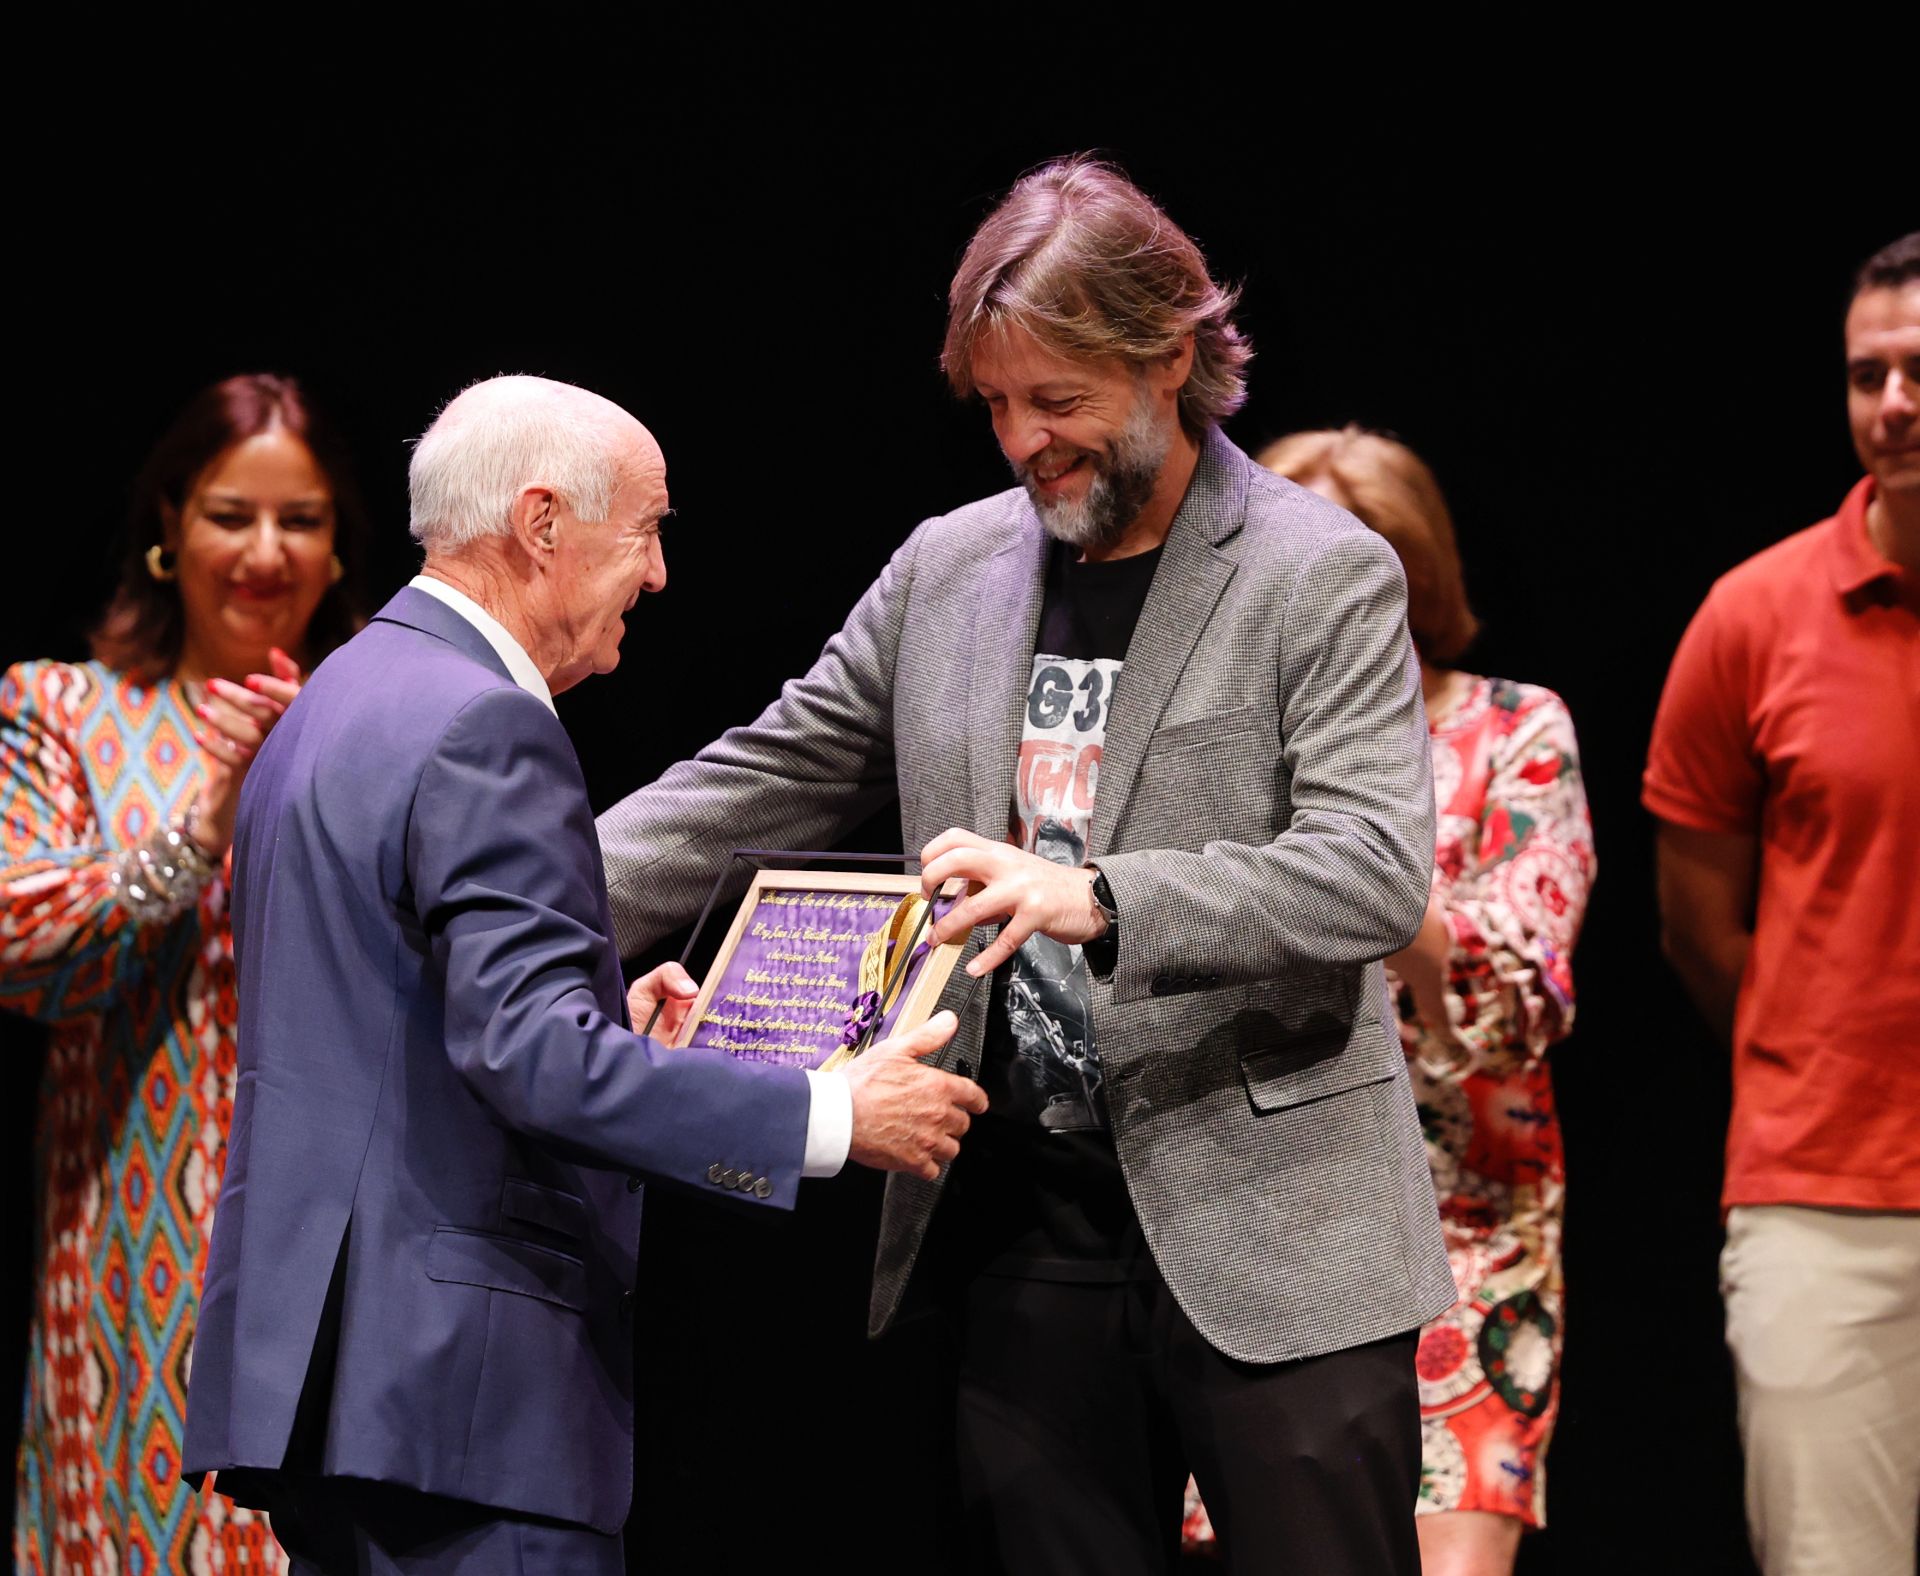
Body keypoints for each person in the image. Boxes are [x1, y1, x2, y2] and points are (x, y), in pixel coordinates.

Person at [597, 158, 1455, 1574]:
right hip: (1023, 1232)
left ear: (1170, 354)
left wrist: (1105, 896)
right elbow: (769, 768)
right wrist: (518, 892)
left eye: (1056, 401)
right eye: (995, 404)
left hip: (1280, 1225)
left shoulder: (1320, 569)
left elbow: (1370, 870)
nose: (1021, 441)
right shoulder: (947, 570)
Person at [180, 374, 984, 1573]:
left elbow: (402, 1025)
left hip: (343, 1389)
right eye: (648, 528)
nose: (659, 574)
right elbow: (537, 1060)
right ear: (544, 523)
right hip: (464, 1405)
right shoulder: (485, 723)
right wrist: (833, 1112)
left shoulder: (335, 698)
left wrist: (614, 1024)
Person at [3, 373, 367, 1573]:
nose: (265, 552)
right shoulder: (63, 710)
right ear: (170, 525)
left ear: (336, 545)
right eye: (230, 513)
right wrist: (207, 820)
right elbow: (21, 948)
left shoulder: (394, 724)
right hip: (135, 1261)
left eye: (300, 520)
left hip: (347, 1259)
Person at [1245, 428, 1590, 1576]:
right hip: (1266, 1218)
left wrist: (1363, 885)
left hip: (1466, 1222)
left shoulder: (1510, 729)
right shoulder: (1225, 740)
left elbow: (1522, 982)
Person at [1644, 234, 1919, 1575]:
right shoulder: (1751, 618)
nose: (1895, 402)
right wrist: (1817, 1051)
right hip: (1827, 1200)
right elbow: (1700, 930)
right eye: (1869, 373)